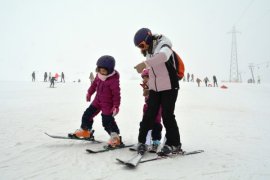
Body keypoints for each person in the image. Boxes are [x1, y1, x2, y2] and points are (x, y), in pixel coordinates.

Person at [133, 28, 182, 155]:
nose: (141, 49)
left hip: (170, 86)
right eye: (139, 47)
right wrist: (148, 86)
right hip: (155, 88)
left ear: (148, 39)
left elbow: (164, 56)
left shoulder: (164, 43)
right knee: (149, 114)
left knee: (167, 115)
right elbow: (155, 73)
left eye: (142, 45)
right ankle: (142, 142)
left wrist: (145, 64)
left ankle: (174, 144)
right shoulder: (149, 51)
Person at [70, 55, 122, 147]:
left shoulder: (113, 80)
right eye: (99, 70)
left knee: (107, 122)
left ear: (109, 70)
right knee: (87, 114)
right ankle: (86, 131)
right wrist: (89, 93)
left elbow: (116, 95)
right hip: (97, 101)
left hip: (108, 105)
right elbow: (94, 85)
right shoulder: (99, 76)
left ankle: (115, 137)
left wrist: (116, 106)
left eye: (104, 70)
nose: (101, 72)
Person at [140, 69, 163, 152]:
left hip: (157, 109)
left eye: (147, 77)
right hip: (147, 108)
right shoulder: (146, 86)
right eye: (144, 78)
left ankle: (156, 141)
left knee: (156, 125)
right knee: (144, 125)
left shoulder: (156, 85)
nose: (145, 79)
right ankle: (144, 142)